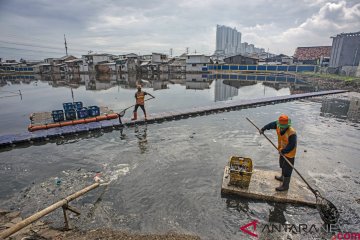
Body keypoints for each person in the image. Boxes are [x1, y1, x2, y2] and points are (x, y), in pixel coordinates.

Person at [259, 114, 297, 191]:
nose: (282, 128)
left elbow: (292, 145)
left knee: (287, 169)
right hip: (282, 149)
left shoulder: (292, 132)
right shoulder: (278, 125)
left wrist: (284, 151)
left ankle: (285, 186)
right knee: (282, 164)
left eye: (284, 127)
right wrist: (263, 129)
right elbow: (270, 125)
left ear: (287, 125)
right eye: (281, 127)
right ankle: (282, 177)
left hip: (289, 153)